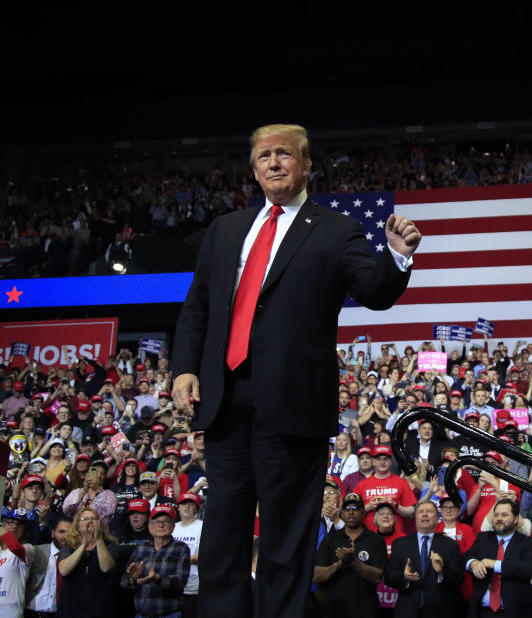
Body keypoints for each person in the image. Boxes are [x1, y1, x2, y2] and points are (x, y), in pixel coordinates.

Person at [171, 123, 421, 618]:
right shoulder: (224, 229)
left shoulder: (335, 228)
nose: (274, 162)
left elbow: (374, 291)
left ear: (306, 166)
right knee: (223, 534)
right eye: (264, 155)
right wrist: (184, 370)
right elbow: (198, 307)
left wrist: (396, 255)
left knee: (285, 541)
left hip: (292, 405)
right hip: (225, 403)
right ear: (254, 169)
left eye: (285, 153)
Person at [383, 500, 465, 617]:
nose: (425, 514)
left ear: (437, 519)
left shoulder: (451, 545)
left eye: (430, 511)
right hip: (407, 611)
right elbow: (389, 577)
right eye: (421, 512)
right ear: (415, 520)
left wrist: (442, 572)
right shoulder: (400, 544)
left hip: (440, 611)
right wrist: (404, 577)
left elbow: (458, 579)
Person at [313, 493, 388, 618]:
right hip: (333, 610)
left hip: (365, 610)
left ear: (363, 513)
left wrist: (354, 561)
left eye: (355, 509)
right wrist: (338, 564)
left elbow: (377, 577)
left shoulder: (376, 540)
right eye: (347, 509)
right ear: (341, 513)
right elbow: (316, 576)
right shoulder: (331, 539)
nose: (351, 513)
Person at [462, 499, 532, 618]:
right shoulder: (483, 538)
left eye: (504, 515)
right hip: (482, 612)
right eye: (496, 514)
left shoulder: (528, 543)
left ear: (516, 519)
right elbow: (466, 556)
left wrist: (495, 564)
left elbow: (529, 569)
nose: (499, 518)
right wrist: (473, 563)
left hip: (515, 613)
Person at [121, 504, 191, 618]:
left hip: (169, 615)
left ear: (173, 526)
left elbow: (180, 581)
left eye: (166, 521)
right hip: (141, 615)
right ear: (149, 526)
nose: (161, 525)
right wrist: (132, 579)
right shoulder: (140, 548)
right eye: (156, 521)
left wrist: (157, 579)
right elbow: (124, 583)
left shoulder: (181, 548)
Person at [57, 507, 120, 618]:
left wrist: (99, 540)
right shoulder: (68, 547)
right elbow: (64, 570)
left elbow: (106, 567)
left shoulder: (110, 545)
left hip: (101, 612)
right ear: (77, 525)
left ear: (100, 524)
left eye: (93, 519)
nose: (90, 521)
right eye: (85, 519)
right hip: (71, 612)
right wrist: (83, 545)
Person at [0, 508, 48, 618]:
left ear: (24, 530)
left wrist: (0, 527)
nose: (14, 526)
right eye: (10, 522)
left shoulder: (28, 549)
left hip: (10, 613)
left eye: (19, 524)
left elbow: (14, 547)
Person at [25, 516, 71, 618]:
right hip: (32, 613)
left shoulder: (75, 557)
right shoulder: (37, 551)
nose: (65, 536)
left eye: (69, 533)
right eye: (61, 532)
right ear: (53, 533)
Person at [172, 492, 203, 618]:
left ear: (197, 508)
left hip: (195, 586)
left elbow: (208, 555)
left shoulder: (203, 526)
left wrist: (182, 559)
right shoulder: (171, 527)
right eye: (184, 503)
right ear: (178, 506)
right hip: (172, 585)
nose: (187, 507)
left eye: (191, 504)